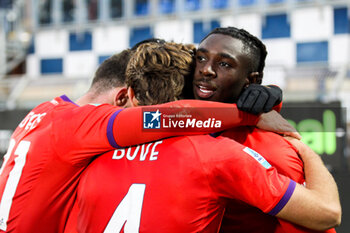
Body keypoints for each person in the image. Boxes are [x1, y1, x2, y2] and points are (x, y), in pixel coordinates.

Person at [0, 46, 283, 232]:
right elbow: (165, 118)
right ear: (124, 96)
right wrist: (248, 113)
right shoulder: (84, 123)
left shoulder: (44, 110)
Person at [67, 41, 340, 233]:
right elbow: (327, 213)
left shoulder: (90, 154)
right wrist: (301, 146)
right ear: (194, 93)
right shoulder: (217, 155)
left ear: (131, 94)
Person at [192, 26, 338, 233]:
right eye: (200, 58)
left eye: (224, 64)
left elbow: (320, 219)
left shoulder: (271, 150)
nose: (206, 69)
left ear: (251, 81)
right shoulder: (179, 123)